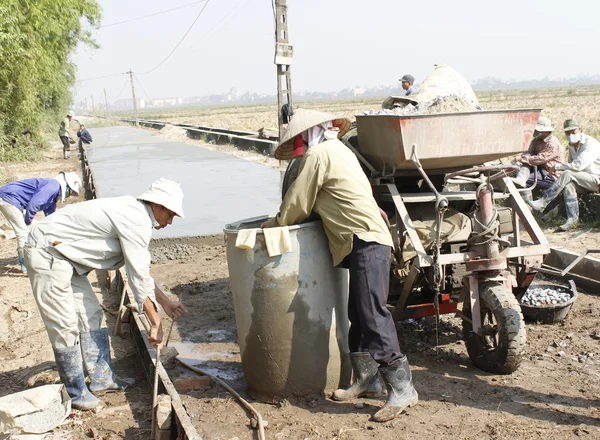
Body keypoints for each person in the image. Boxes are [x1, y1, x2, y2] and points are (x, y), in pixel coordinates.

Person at [264, 109, 418, 422]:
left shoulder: (318, 155)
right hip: (366, 238)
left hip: (366, 240)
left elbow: (298, 202)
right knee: (357, 314)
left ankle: (402, 389)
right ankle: (367, 380)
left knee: (372, 315)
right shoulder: (341, 150)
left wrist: (275, 223)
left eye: (299, 140)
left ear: (308, 135)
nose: (300, 147)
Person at [24, 178, 188, 410]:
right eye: (170, 214)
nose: (170, 221)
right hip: (47, 252)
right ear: (158, 206)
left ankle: (102, 379)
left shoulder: (136, 215)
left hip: (67, 257)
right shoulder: (137, 219)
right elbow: (138, 276)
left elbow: (137, 269)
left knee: (90, 314)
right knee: (64, 323)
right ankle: (76, 392)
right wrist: (155, 321)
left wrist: (165, 302)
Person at [0, 172, 82, 273]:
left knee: (24, 230)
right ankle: (27, 264)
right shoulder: (53, 186)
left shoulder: (53, 195)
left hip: (11, 197)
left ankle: (26, 259)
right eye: (70, 192)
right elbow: (34, 205)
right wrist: (28, 221)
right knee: (23, 232)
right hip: (9, 197)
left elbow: (51, 218)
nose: (69, 195)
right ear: (66, 186)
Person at [528, 119, 600, 231]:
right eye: (567, 133)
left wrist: (557, 167)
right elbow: (571, 165)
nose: (570, 135)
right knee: (568, 185)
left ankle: (543, 202)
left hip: (595, 180)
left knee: (567, 173)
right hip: (581, 180)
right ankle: (572, 220)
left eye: (573, 132)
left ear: (581, 130)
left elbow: (577, 166)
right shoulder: (572, 145)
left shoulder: (591, 144)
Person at [512, 116, 565, 200]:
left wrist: (522, 159)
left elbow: (540, 159)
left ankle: (527, 204)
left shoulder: (552, 144)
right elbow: (530, 151)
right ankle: (521, 179)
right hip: (539, 168)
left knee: (526, 180)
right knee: (521, 169)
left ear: (546, 131)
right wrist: (525, 156)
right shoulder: (537, 140)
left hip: (550, 174)